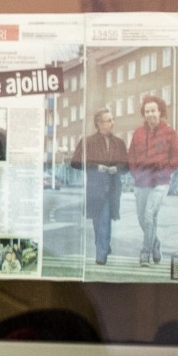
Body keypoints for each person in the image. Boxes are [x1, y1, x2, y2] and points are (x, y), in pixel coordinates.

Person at [129, 95, 178, 265]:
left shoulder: (169, 133)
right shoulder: (138, 133)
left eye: (153, 110)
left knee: (148, 216)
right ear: (143, 114)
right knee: (142, 218)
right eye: (147, 111)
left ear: (160, 111)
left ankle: (145, 252)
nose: (150, 114)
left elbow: (176, 159)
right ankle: (155, 243)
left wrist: (163, 174)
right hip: (141, 182)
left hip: (160, 183)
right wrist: (137, 174)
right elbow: (130, 156)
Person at [71, 107, 129, 264]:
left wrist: (117, 168)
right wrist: (96, 166)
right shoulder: (87, 141)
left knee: (105, 220)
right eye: (109, 120)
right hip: (95, 189)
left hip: (113, 188)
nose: (112, 123)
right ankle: (103, 247)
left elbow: (126, 165)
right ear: (99, 123)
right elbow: (75, 162)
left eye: (113, 119)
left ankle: (101, 253)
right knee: (98, 220)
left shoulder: (119, 142)